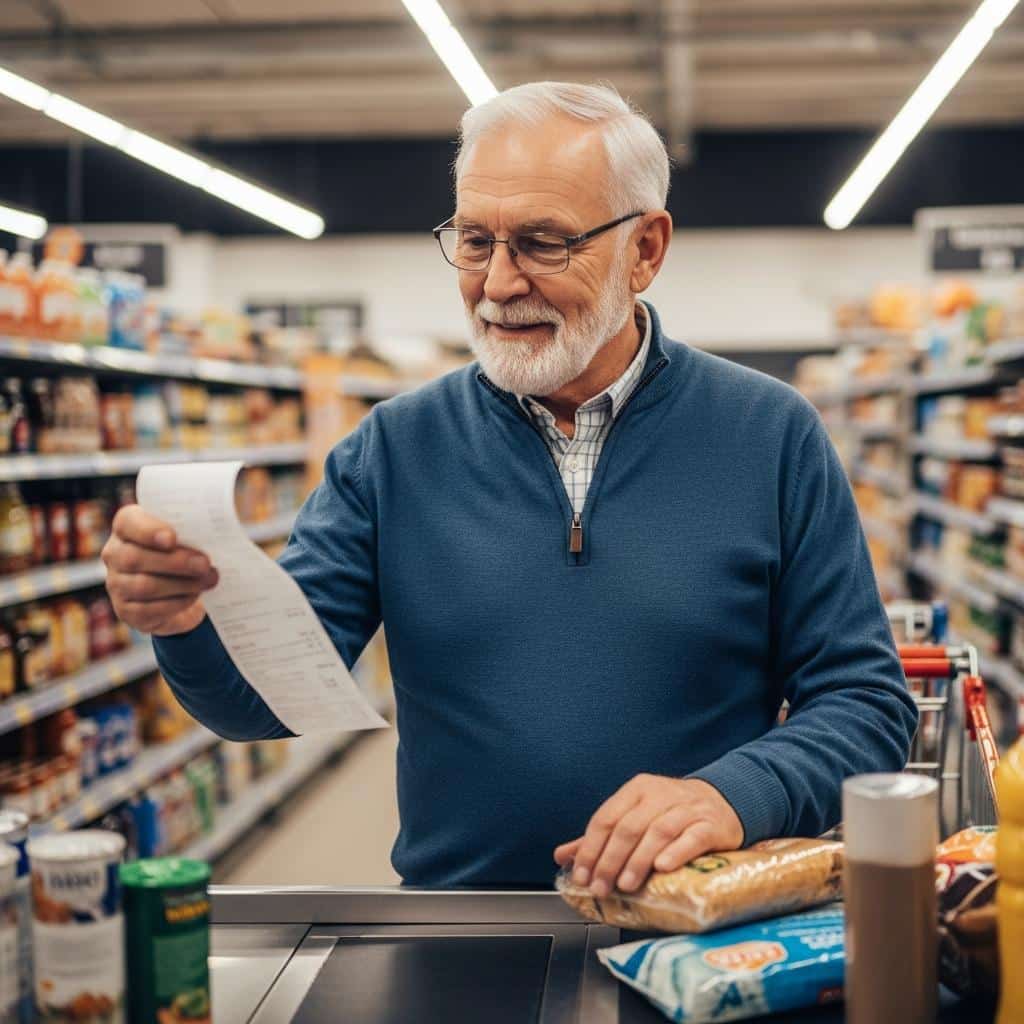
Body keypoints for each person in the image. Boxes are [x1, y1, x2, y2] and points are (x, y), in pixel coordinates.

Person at [102, 82, 918, 894]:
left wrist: (733, 796)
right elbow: (262, 700)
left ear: (645, 249)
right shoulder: (391, 452)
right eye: (473, 240)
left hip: (703, 930)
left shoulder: (769, 435)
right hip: (457, 930)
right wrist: (185, 622)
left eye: (542, 243)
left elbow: (866, 703)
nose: (496, 284)